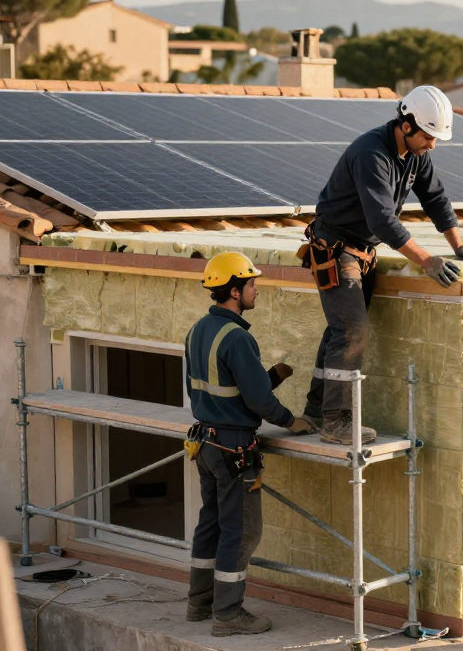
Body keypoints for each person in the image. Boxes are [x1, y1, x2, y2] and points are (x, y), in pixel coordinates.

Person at [301, 85, 463, 445]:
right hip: (337, 250)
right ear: (406, 125)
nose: (432, 145)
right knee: (352, 332)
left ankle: (314, 412)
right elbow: (383, 222)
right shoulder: (371, 153)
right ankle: (336, 422)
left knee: (339, 332)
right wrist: (427, 260)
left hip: (362, 253)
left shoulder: (416, 154)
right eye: (428, 136)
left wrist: (459, 246)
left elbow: (436, 199)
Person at [185, 252, 315, 637]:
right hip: (233, 448)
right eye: (253, 284)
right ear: (235, 291)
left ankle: (200, 604)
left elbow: (224, 388)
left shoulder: (198, 330)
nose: (257, 289)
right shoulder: (238, 337)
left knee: (211, 523)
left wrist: (269, 376)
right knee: (241, 531)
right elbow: (256, 402)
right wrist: (292, 422)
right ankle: (228, 615)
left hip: (206, 444)